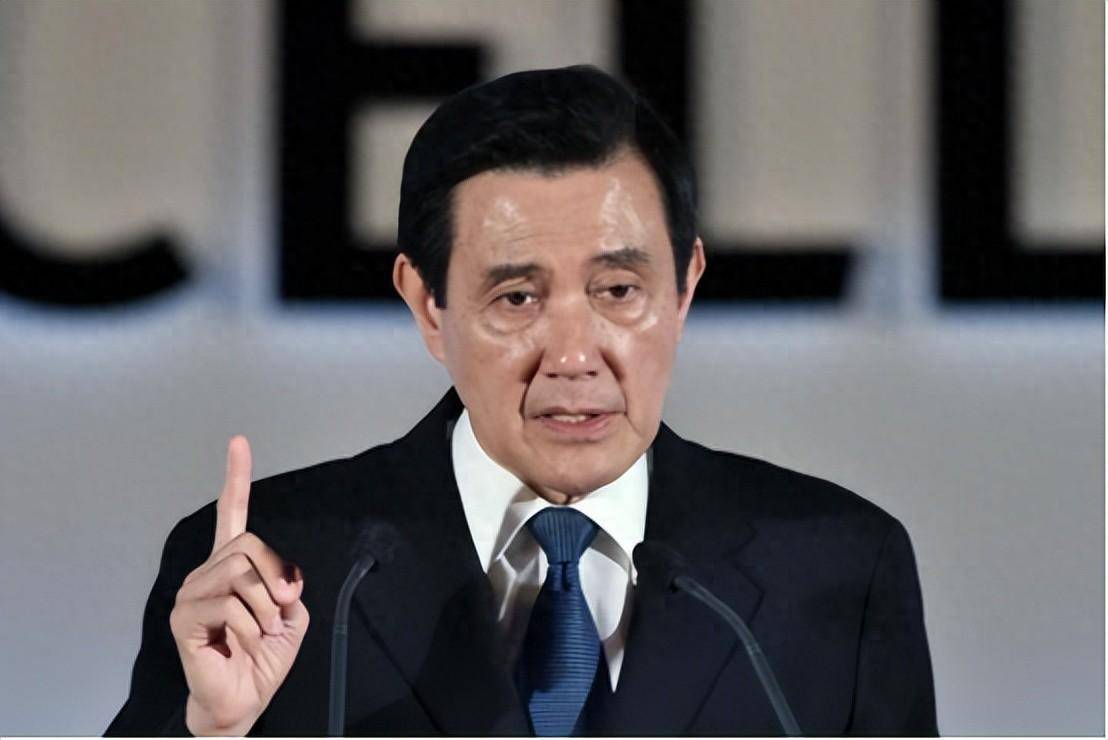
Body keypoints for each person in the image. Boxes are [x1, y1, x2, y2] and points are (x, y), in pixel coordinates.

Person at [106, 66, 937, 736]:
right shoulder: (277, 575)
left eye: (618, 290)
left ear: (685, 286)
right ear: (428, 305)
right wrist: (210, 732)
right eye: (516, 299)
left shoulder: (834, 567)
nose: (573, 357)